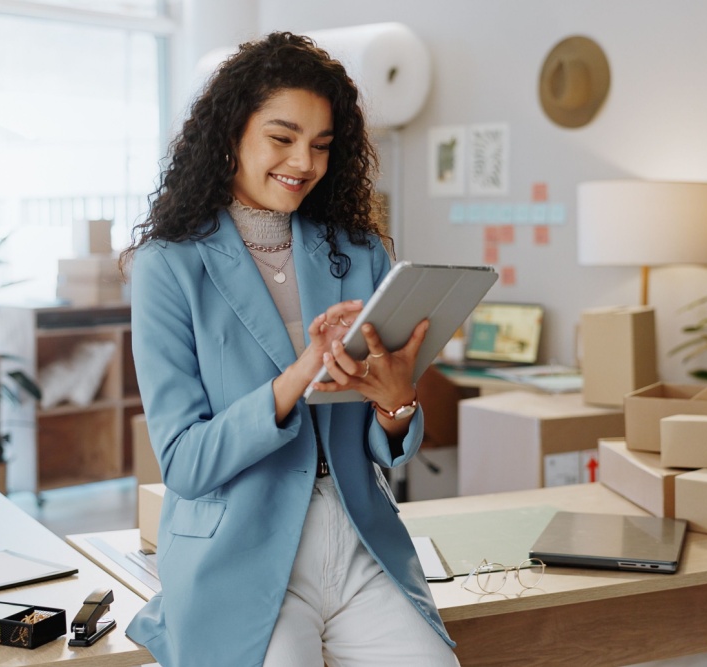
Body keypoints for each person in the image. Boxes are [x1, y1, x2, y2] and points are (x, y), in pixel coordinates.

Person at [121, 31, 458, 667]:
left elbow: (386, 441)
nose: (304, 162)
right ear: (231, 133)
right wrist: (299, 374)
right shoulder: (167, 266)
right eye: (282, 138)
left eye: (322, 145)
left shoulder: (360, 253)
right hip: (241, 555)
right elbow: (185, 464)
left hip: (359, 542)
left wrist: (398, 406)